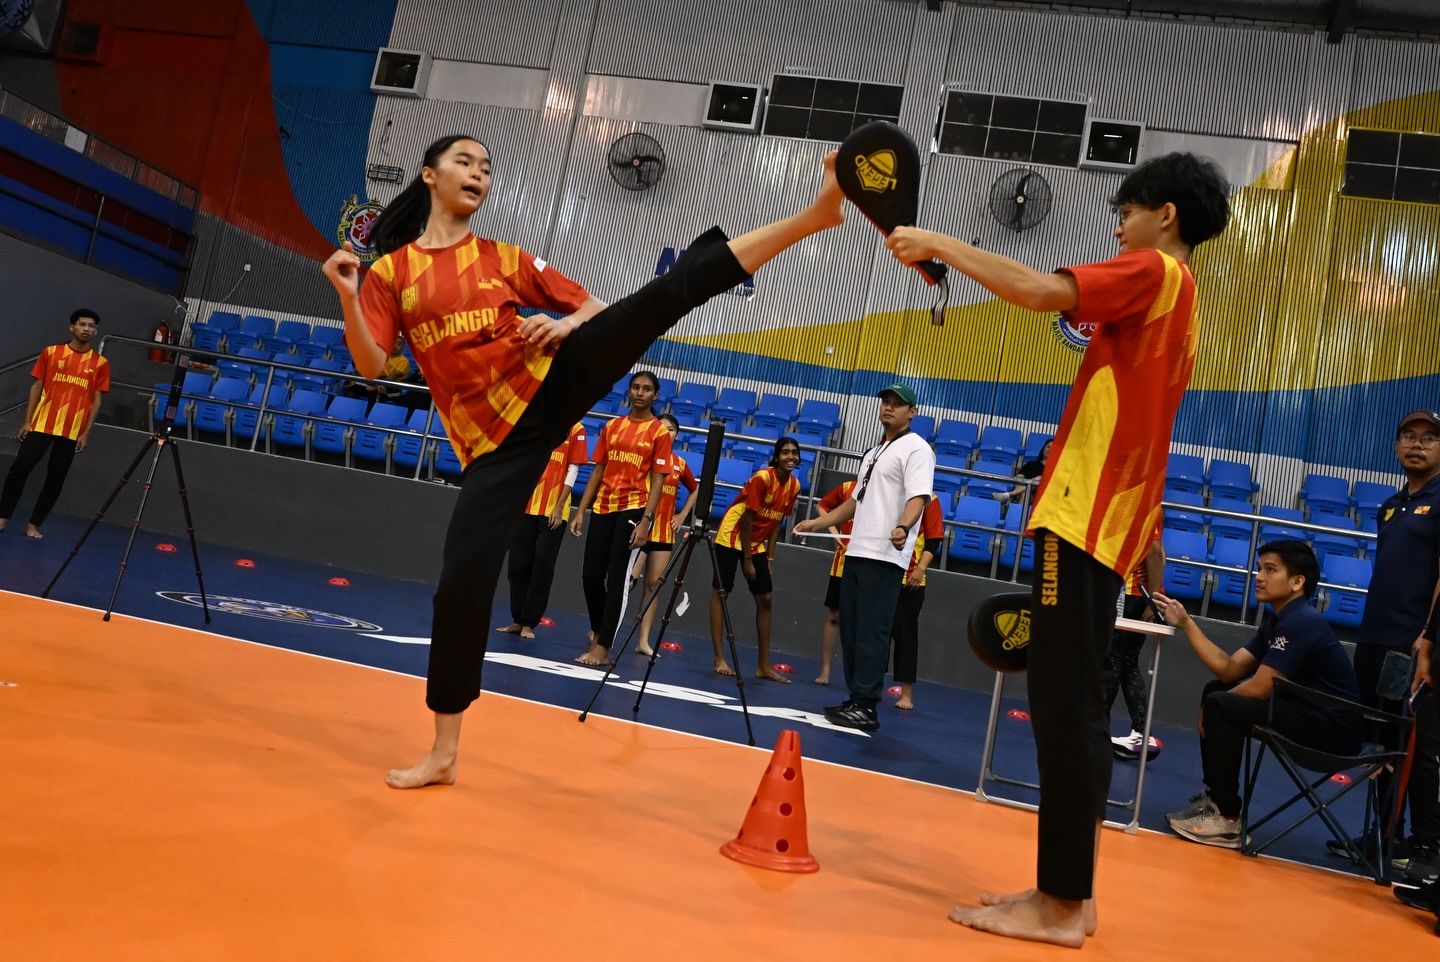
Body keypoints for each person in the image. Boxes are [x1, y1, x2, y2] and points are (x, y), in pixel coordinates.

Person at [321, 134, 845, 789]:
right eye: (465, 162)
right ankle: (444, 751)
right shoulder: (391, 274)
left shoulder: (504, 258)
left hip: (554, 381)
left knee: (667, 293)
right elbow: (372, 363)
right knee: (461, 586)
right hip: (496, 448)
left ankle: (813, 216)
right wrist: (347, 293)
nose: (478, 172)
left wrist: (565, 326)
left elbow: (593, 309)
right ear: (429, 175)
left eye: (487, 165)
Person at [887, 152, 1230, 947]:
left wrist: (940, 242)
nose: (1118, 224)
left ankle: (1063, 906)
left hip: (1086, 517)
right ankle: (1065, 892)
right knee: (1067, 707)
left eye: (1128, 209)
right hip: (1100, 518)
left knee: (1064, 711)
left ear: (1166, 215)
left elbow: (1039, 291)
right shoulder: (1182, 298)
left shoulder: (1152, 271)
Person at [1152, 541, 1362, 848]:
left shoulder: (1303, 621)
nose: (1259, 576)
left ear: (1297, 581)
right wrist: (1186, 623)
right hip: (1305, 713)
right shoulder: (1278, 620)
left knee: (1220, 702)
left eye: (1270, 570)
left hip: (1332, 731)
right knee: (1216, 691)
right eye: (1259, 568)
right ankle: (1215, 799)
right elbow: (1228, 669)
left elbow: (1262, 686)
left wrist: (1212, 707)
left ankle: (1226, 819)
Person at [795, 383, 935, 731]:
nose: (888, 407)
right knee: (853, 629)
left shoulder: (917, 449)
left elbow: (919, 497)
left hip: (885, 556)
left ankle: (867, 705)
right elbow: (854, 502)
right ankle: (856, 697)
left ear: (911, 412)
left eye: (897, 404)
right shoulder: (873, 452)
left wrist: (903, 526)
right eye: (885, 402)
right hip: (857, 550)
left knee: (873, 630)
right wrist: (819, 522)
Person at [1338, 410, 1440, 878]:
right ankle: (1386, 835)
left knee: (1414, 746)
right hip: (1375, 639)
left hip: (1413, 644)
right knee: (1380, 742)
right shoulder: (1392, 504)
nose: (1416, 445)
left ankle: (1421, 847)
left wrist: (1428, 638)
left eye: (1428, 439)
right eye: (1408, 437)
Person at [570, 372, 670, 666]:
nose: (640, 393)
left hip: (634, 509)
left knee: (617, 581)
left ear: (655, 395)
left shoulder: (659, 433)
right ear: (629, 392)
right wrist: (580, 510)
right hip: (603, 507)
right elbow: (598, 471)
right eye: (636, 387)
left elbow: (659, 481)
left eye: (647, 389)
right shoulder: (612, 427)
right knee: (590, 576)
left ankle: (602, 650)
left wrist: (646, 521)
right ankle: (601, 630)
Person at [0, 309, 110, 540]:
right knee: (20, 469)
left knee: (55, 479)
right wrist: (27, 420)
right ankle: (2, 518)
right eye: (82, 324)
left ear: (96, 331)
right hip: (41, 424)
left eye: (91, 326)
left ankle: (33, 524)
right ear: (72, 327)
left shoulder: (100, 363)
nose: (86, 329)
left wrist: (86, 433)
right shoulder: (51, 353)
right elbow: (36, 386)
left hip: (71, 431)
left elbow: (96, 399)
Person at [710, 436, 803, 682]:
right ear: (776, 456)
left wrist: (769, 558)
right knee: (721, 592)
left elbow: (776, 523)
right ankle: (719, 658)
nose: (790, 457)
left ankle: (763, 666)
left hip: (756, 540)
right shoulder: (763, 478)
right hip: (733, 532)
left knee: (766, 599)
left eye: (794, 452)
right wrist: (748, 560)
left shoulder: (794, 486)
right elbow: (748, 518)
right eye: (785, 452)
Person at [496, 420, 587, 640]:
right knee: (517, 565)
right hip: (525, 506)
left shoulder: (577, 428)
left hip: (553, 511)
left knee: (542, 567)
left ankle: (530, 622)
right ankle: (517, 619)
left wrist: (559, 505)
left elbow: (573, 469)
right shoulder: (539, 419)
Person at [631, 413, 697, 658]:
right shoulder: (645, 458)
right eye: (661, 427)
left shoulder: (679, 463)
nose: (666, 432)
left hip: (663, 535)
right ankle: (600, 633)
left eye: (670, 429)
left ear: (676, 435)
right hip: (639, 530)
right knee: (627, 583)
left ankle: (643, 641)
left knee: (653, 587)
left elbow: (694, 489)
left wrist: (682, 516)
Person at [1107, 537, 1166, 761]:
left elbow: (1154, 551)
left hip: (1129, 592)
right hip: (1135, 594)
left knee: (1113, 659)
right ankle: (1141, 731)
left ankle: (1095, 730)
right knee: (1126, 662)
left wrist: (1153, 598)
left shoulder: (1140, 505)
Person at [891, 494, 945, 710]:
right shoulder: (891, 491)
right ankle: (868, 687)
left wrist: (920, 568)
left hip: (911, 578)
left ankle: (906, 694)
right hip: (884, 573)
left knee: (906, 634)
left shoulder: (930, 499)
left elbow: (934, 539)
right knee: (876, 632)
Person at [812, 478, 855, 685]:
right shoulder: (848, 488)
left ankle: (860, 678)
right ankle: (825, 670)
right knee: (834, 615)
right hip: (843, 560)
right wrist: (834, 532)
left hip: (871, 563)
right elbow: (821, 505)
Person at [998, 438, 1051, 507]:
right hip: (1026, 494)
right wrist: (1023, 480)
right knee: (1025, 492)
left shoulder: (1054, 470)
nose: (1049, 450)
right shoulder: (1031, 464)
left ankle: (1010, 494)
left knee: (1040, 478)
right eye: (1048, 447)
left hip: (1042, 497)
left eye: (1052, 448)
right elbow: (1019, 477)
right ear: (1043, 449)